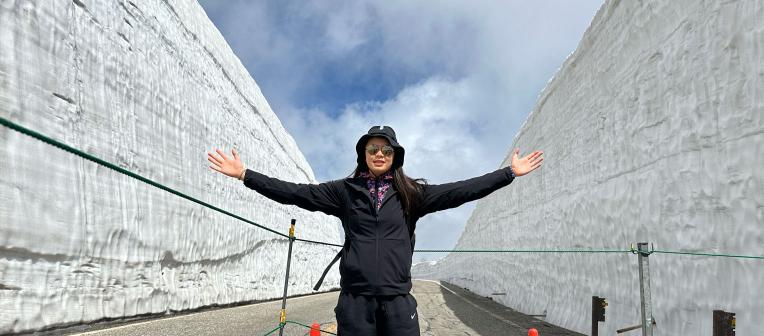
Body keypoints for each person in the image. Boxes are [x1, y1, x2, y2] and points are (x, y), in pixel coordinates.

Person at [207, 125, 543, 335]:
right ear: (363, 154)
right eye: (372, 149)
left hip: (398, 301)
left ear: (395, 156)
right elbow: (296, 193)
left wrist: (508, 174)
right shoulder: (344, 191)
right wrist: (246, 175)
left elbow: (461, 190)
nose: (379, 153)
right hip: (355, 302)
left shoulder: (413, 194)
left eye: (386, 149)